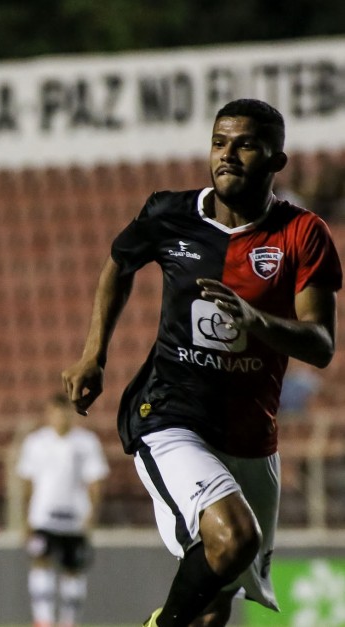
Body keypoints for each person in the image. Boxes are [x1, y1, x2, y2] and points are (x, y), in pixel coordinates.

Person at [61, 98, 341, 627]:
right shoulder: (170, 213)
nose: (227, 155)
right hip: (169, 415)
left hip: (251, 436)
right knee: (234, 538)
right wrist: (92, 355)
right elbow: (118, 266)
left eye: (245, 145)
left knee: (214, 612)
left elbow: (321, 343)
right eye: (218, 142)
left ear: (276, 161)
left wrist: (256, 322)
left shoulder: (303, 234)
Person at [15, 393, 108, 627]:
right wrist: (25, 518)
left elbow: (95, 481)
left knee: (73, 570)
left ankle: (69, 621)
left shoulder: (86, 442)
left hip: (75, 518)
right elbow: (27, 482)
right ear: (48, 415)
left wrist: (92, 513)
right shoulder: (36, 442)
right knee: (41, 562)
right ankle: (43, 619)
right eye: (56, 413)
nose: (61, 418)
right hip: (43, 517)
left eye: (65, 412)